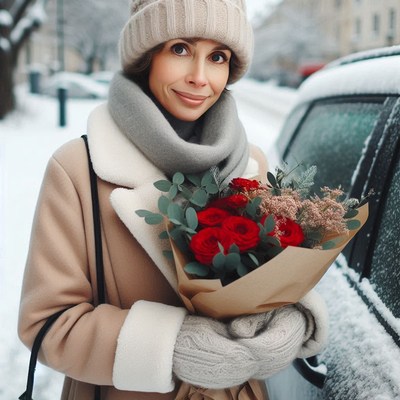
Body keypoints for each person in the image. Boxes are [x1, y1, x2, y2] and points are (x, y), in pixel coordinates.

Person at [18, 1, 328, 399]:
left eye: (218, 57)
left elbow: (271, 276)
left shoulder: (250, 164)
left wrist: (290, 318)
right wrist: (171, 346)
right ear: (146, 55)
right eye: (180, 49)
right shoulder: (79, 168)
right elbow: (47, 323)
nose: (200, 78)